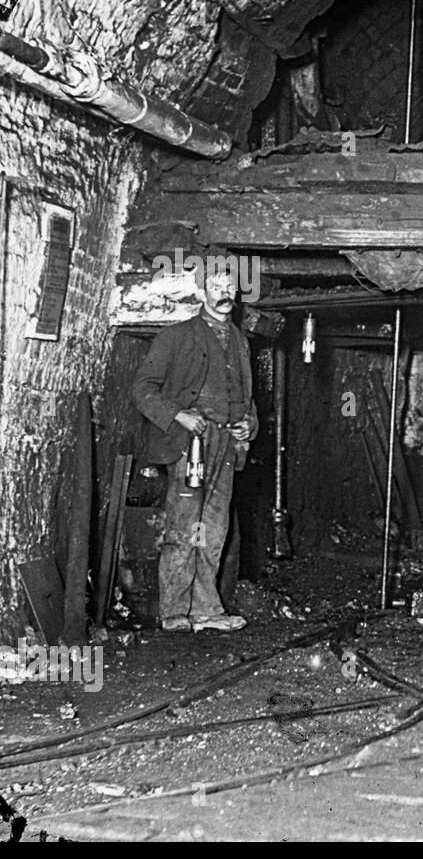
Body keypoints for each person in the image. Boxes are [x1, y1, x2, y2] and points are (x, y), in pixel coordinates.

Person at [132, 270, 258, 633]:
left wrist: (249, 424)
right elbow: (142, 389)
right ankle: (174, 610)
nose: (225, 293)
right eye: (216, 287)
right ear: (201, 291)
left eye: (230, 287)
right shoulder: (176, 336)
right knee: (185, 526)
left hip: (227, 445)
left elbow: (247, 399)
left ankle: (206, 609)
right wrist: (178, 414)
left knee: (214, 529)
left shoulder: (240, 340)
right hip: (192, 444)